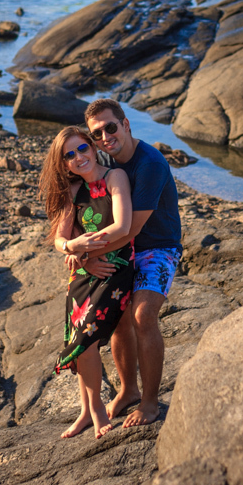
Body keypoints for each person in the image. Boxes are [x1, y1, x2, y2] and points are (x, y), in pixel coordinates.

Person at [83, 98, 182, 428]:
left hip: (158, 248)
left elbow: (132, 229)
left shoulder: (149, 163)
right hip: (123, 248)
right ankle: (128, 391)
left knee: (142, 314)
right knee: (118, 315)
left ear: (126, 124)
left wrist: (90, 255)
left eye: (111, 127)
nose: (105, 137)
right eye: (97, 134)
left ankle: (151, 403)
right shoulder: (103, 160)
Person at [39, 125, 136, 439]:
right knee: (81, 343)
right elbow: (60, 239)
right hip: (82, 275)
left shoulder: (114, 178)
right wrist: (72, 249)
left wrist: (84, 249)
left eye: (82, 149)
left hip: (115, 268)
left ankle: (95, 408)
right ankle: (86, 410)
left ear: (93, 148)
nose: (78, 157)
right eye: (69, 155)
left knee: (87, 338)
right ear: (64, 163)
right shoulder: (72, 191)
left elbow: (122, 227)